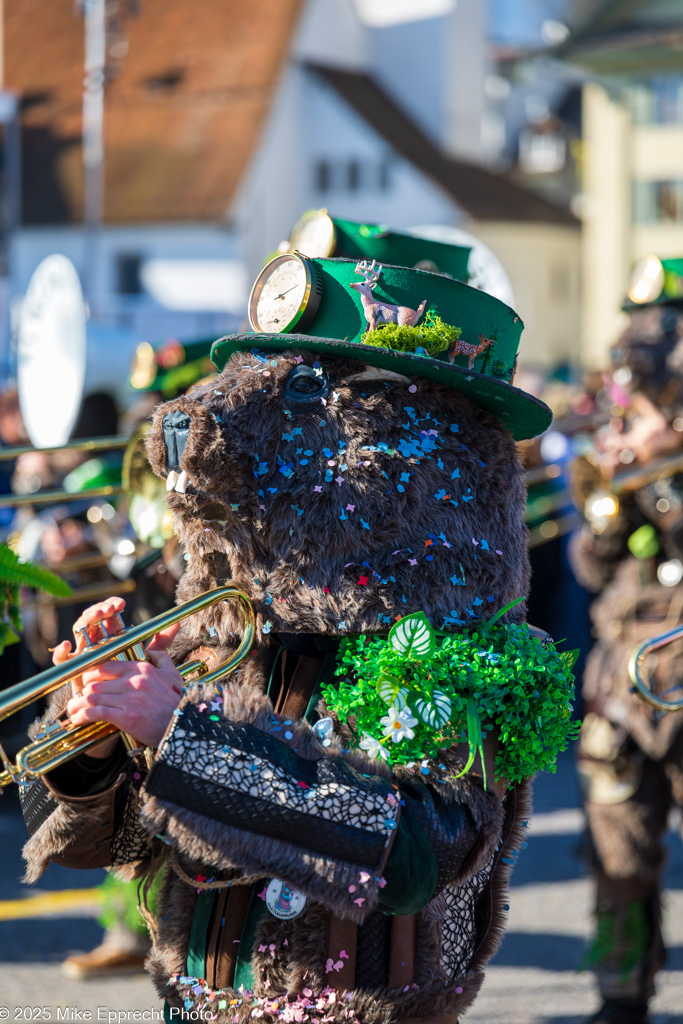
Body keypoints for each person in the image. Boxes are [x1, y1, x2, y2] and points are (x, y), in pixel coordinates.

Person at [19, 253, 572, 1022]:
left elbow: (415, 852)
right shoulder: (216, 628)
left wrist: (182, 738)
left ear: (424, 448)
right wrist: (99, 733)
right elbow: (94, 849)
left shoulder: (454, 654)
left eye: (309, 394)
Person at [572, 298, 683, 1024]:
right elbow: (587, 570)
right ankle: (621, 993)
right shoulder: (631, 464)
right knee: (615, 855)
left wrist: (663, 487)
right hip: (620, 687)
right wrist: (609, 512)